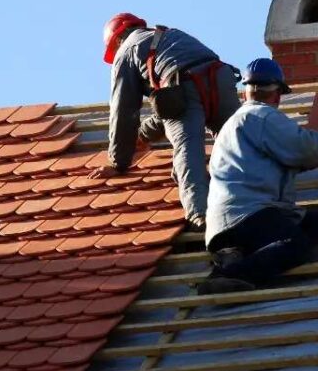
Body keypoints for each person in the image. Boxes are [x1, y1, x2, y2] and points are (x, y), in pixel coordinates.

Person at [198, 58, 318, 295]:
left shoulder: (237, 124)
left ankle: (238, 256)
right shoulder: (261, 116)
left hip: (230, 220)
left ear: (245, 93)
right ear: (277, 95)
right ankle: (227, 276)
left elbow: (290, 158)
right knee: (295, 245)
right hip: (248, 213)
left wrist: (315, 152)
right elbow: (300, 145)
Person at [88, 13, 241, 230]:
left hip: (183, 86)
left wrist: (119, 161)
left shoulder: (126, 51)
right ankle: (253, 194)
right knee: (237, 141)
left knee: (188, 152)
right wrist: (142, 136)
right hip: (221, 78)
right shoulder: (170, 34)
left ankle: (201, 216)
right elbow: (170, 106)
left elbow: (123, 109)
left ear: (116, 41)